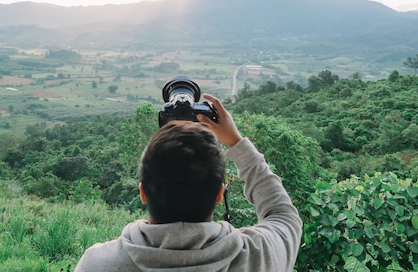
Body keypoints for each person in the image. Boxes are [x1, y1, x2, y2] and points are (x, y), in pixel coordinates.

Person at [75, 94, 302, 271]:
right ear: (219, 194)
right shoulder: (257, 257)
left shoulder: (97, 264)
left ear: (143, 193)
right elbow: (284, 215)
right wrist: (236, 141)